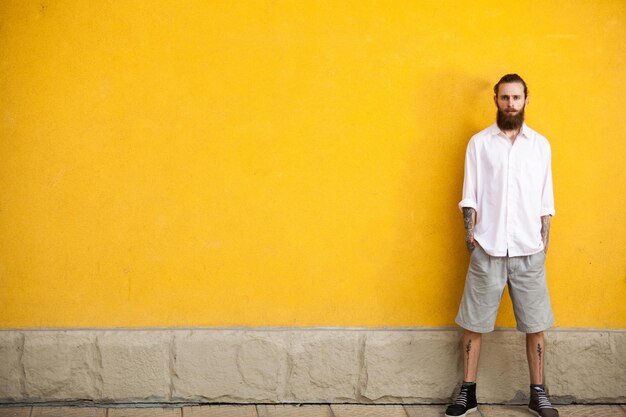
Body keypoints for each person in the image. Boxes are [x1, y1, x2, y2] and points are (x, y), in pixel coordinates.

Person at [445, 74, 559, 417]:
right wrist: (472, 241)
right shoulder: (479, 144)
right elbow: (470, 195)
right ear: (495, 99)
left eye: (517, 97)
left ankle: (538, 393)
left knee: (536, 325)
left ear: (526, 100)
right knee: (473, 323)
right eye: (505, 97)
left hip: (528, 250)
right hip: (488, 248)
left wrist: (543, 243)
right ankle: (468, 392)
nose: (511, 104)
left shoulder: (540, 145)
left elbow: (545, 198)